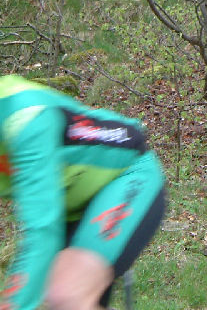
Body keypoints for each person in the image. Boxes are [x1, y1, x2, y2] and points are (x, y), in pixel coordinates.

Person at [0, 75, 167, 310]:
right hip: (67, 208)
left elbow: (41, 229)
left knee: (66, 294)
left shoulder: (24, 116)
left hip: (127, 175)